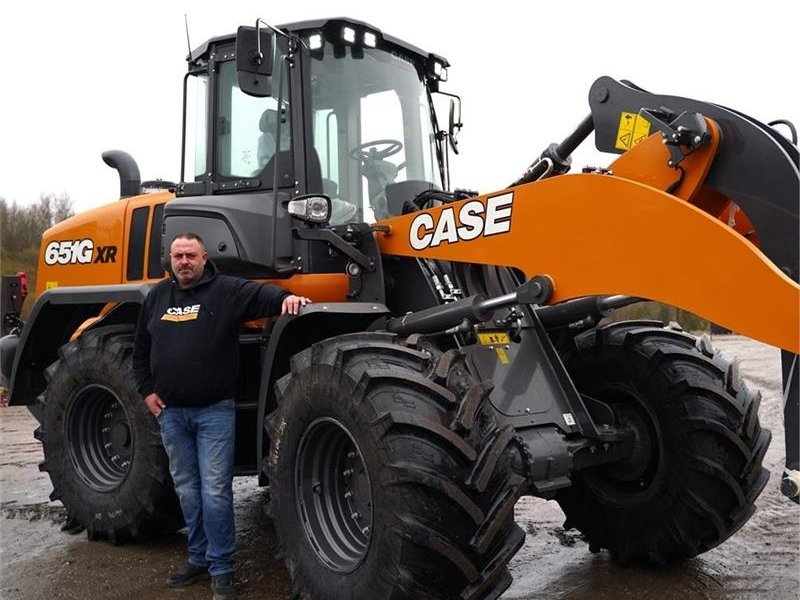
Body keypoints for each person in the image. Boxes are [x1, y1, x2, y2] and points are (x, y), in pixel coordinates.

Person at [133, 232, 310, 600]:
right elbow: (141, 351)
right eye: (178, 256)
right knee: (187, 489)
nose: (184, 262)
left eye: (191, 256)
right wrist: (147, 392)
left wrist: (287, 298)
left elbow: (264, 295)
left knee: (215, 492)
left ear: (203, 258)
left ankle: (223, 570)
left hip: (214, 412)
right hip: (171, 414)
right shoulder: (157, 298)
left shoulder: (225, 290)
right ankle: (197, 559)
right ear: (170, 259)